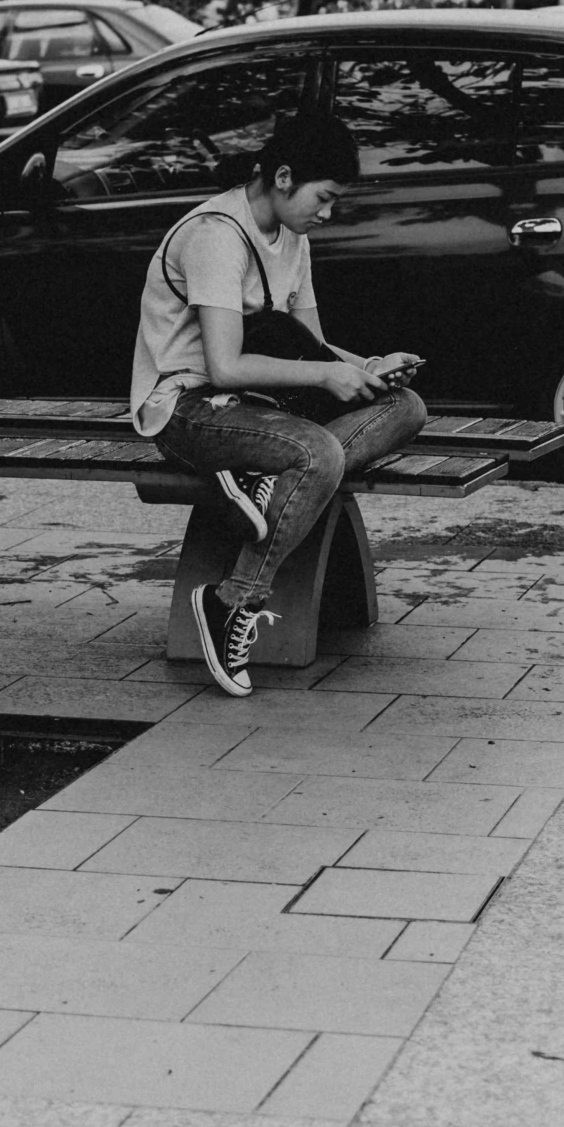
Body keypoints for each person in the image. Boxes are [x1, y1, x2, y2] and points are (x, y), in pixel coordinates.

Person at [130, 109, 426, 694]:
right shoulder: (217, 235)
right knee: (317, 456)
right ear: (284, 177)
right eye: (325, 197)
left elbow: (310, 345)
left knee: (406, 406)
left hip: (261, 405)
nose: (328, 212)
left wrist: (365, 368)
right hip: (190, 411)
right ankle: (229, 604)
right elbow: (225, 366)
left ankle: (261, 479)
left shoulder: (293, 236)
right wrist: (325, 375)